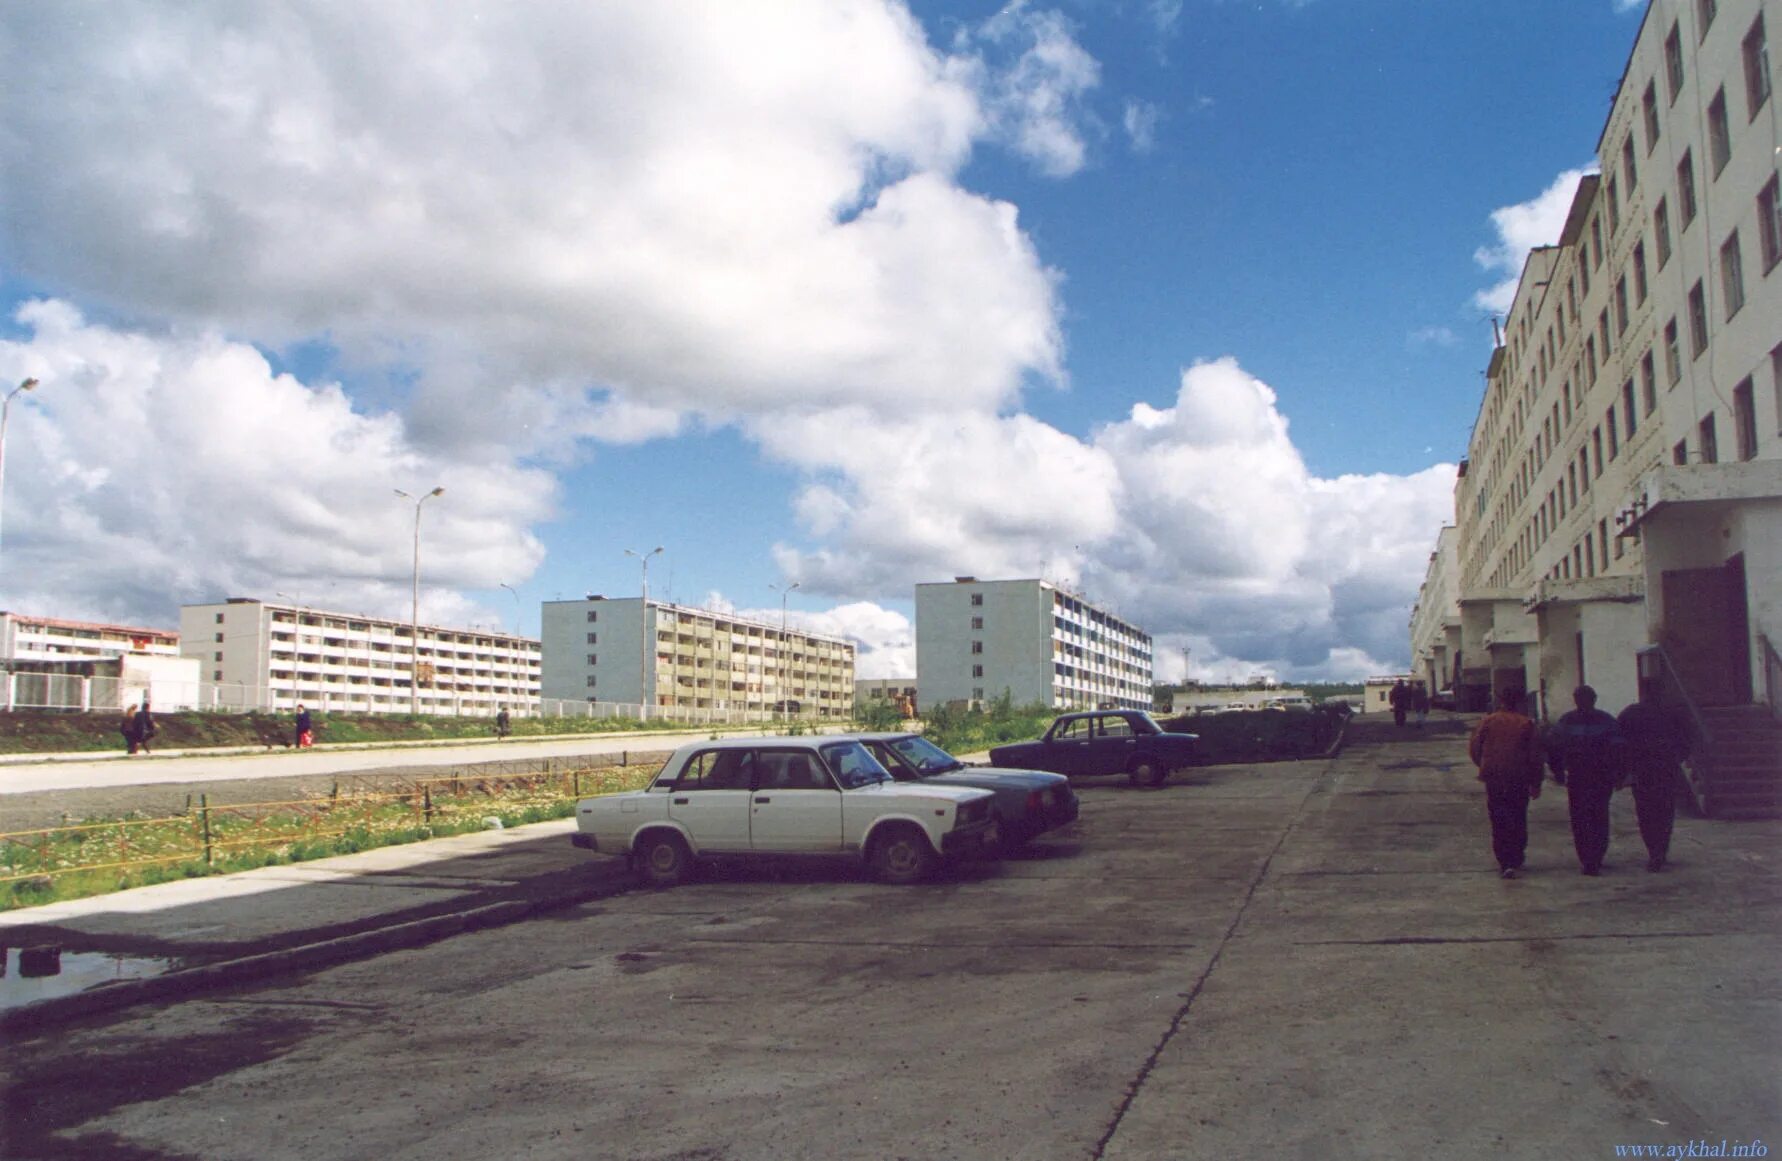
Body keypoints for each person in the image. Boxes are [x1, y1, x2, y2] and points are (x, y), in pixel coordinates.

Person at [1545, 684, 1624, 875]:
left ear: (1575, 700)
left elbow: (1552, 746)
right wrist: (1618, 774)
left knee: (1580, 818)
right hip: (1601, 777)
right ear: (1594, 699)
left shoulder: (1567, 721)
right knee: (1599, 816)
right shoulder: (1606, 721)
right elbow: (1618, 749)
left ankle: (1587, 859)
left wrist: (1558, 772)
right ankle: (1596, 857)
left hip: (1578, 777)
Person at [1616, 684, 1692, 872]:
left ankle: (1653, 850)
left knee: (1645, 812)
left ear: (1642, 694)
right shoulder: (1672, 714)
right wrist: (1677, 757)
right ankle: (1661, 849)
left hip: (1642, 770)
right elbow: (1687, 739)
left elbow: (1620, 743)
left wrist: (1624, 769)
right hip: (1666, 769)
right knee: (1665, 811)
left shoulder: (1630, 714)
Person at [1469, 688, 1543, 878]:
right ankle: (1516, 856)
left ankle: (1505, 861)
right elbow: (1535, 755)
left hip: (1494, 776)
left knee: (1498, 816)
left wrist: (1484, 764)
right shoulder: (1526, 723)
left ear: (1500, 701)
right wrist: (1536, 782)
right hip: (1518, 776)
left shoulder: (1488, 721)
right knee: (1518, 815)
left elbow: (1475, 747)